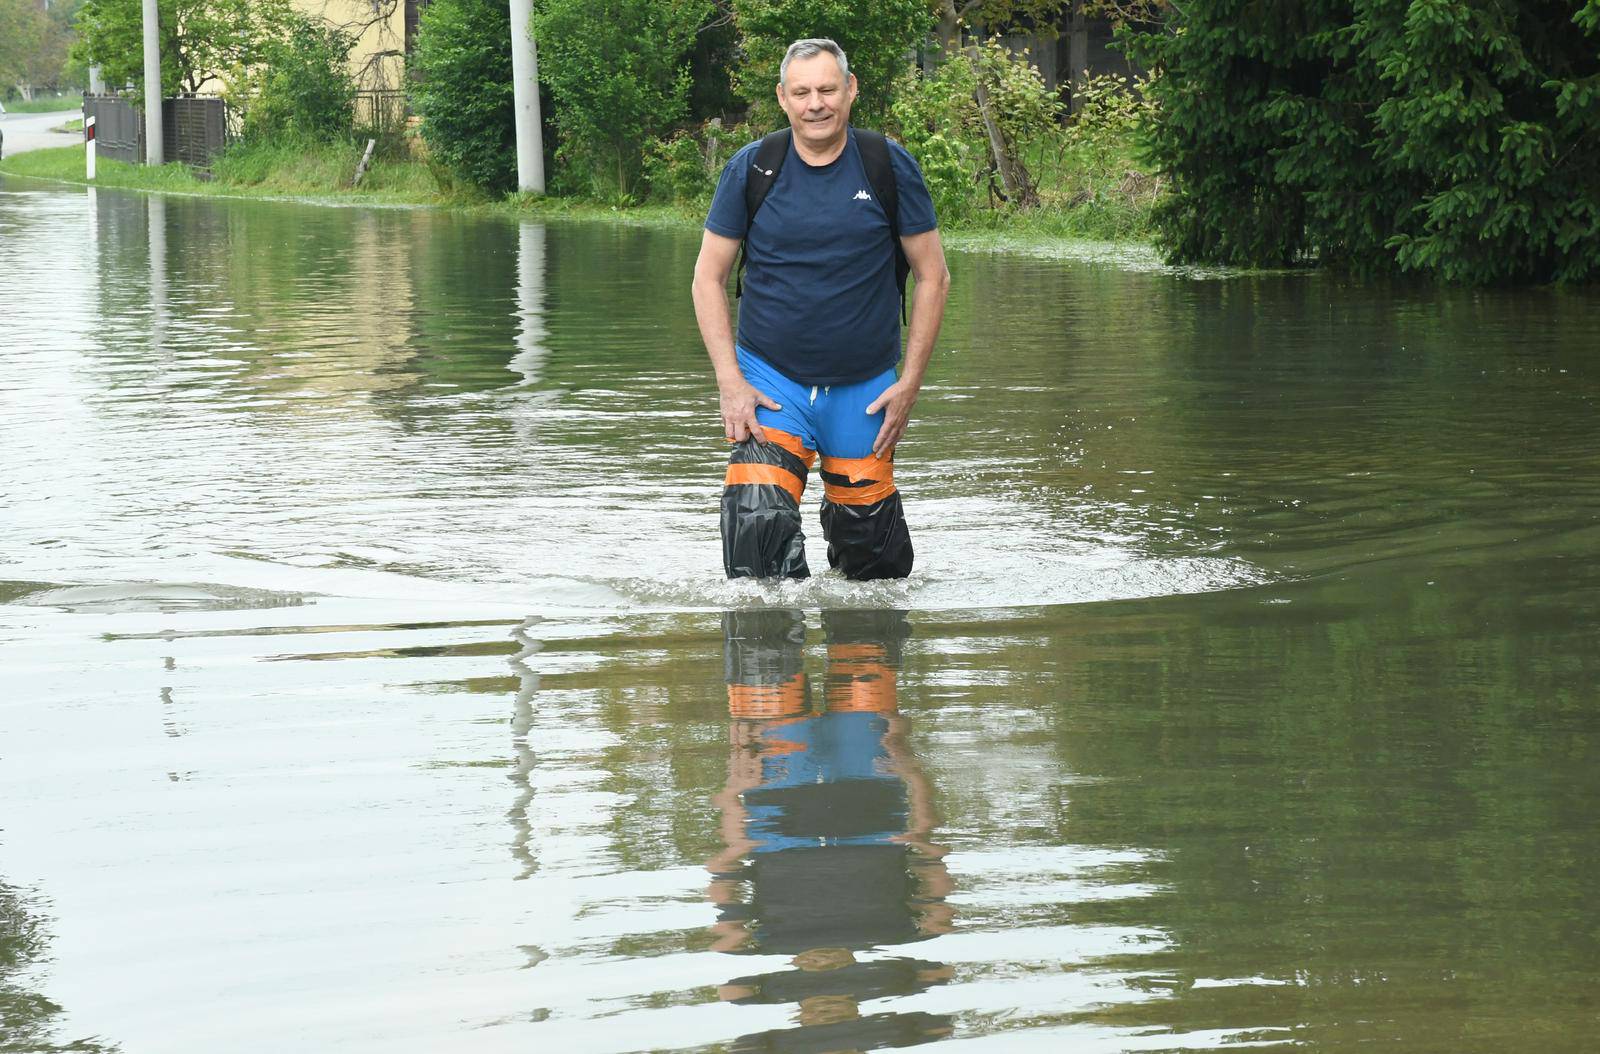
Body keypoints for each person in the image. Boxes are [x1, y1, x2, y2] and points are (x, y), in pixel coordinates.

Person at [692, 38, 951, 581]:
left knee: (874, 570)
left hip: (864, 392)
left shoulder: (887, 165)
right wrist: (730, 383)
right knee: (757, 535)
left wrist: (910, 385)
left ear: (850, 91)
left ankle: (860, 652)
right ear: (783, 98)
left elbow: (933, 277)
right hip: (770, 383)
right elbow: (707, 278)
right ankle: (770, 661)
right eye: (803, 92)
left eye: (828, 89)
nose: (816, 104)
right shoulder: (753, 169)